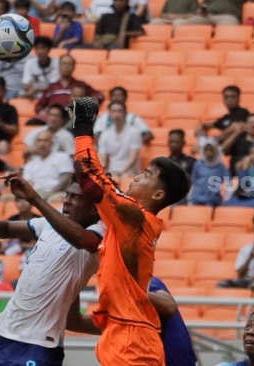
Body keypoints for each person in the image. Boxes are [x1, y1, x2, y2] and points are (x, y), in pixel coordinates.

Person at [69, 96, 191, 365]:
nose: (137, 177)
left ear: (159, 194)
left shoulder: (135, 218)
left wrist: (82, 128)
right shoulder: (126, 222)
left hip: (133, 344)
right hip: (124, 337)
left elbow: (91, 179)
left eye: (147, 175)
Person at [0, 176, 104, 366]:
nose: (67, 200)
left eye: (76, 197)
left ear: (95, 207)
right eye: (67, 194)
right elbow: (6, 228)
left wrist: (34, 198)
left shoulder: (100, 232)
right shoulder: (51, 224)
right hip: (8, 334)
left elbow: (82, 240)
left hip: (40, 343)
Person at [67, 276, 198, 366]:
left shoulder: (145, 283)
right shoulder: (122, 314)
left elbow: (169, 306)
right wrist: (74, 281)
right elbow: (74, 323)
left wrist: (129, 289)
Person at [35, 55, 104, 117]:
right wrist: (41, 111)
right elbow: (39, 105)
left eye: (69, 64)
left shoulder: (81, 85)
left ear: (74, 67)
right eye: (63, 64)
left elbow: (100, 96)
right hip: (53, 118)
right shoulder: (51, 87)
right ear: (59, 66)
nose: (66, 67)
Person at [196, 85, 250, 153]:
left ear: (239, 98)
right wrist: (200, 128)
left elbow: (235, 128)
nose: (229, 100)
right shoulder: (225, 118)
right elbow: (207, 126)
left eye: (233, 97)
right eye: (226, 97)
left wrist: (216, 139)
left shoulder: (243, 113)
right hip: (229, 153)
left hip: (242, 152)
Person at [22, 130, 74, 200]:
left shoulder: (62, 157)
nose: (42, 144)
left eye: (45, 141)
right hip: (35, 193)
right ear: (35, 144)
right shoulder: (30, 162)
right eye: (39, 141)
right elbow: (28, 182)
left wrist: (50, 193)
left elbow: (65, 179)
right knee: (7, 198)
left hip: (56, 192)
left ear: (52, 143)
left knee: (58, 199)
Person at [97, 101, 142, 178]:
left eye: (119, 111)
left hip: (130, 171)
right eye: (113, 111)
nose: (116, 114)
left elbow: (133, 159)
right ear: (110, 114)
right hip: (112, 171)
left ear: (125, 113)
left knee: (124, 177)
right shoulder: (105, 134)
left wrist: (120, 173)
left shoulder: (133, 132)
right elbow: (102, 160)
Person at [224, 142, 254, 208]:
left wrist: (250, 189)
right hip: (246, 198)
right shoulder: (250, 169)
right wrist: (245, 166)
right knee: (225, 205)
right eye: (252, 153)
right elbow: (242, 186)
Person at [175, 0, 254, 27]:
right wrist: (201, 10)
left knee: (227, 29)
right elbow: (203, 5)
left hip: (227, 16)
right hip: (208, 15)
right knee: (181, 24)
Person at [189, 139, 229, 207]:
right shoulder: (198, 164)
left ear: (216, 151)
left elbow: (227, 183)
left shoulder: (221, 167)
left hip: (214, 201)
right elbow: (193, 182)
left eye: (211, 150)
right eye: (207, 150)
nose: (208, 153)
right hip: (197, 200)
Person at [22, 36, 60, 101]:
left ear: (49, 49)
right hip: (34, 94)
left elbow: (54, 85)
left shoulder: (57, 62)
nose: (40, 51)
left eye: (42, 48)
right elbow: (26, 82)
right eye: (37, 48)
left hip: (51, 94)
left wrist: (36, 89)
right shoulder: (30, 63)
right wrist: (31, 89)